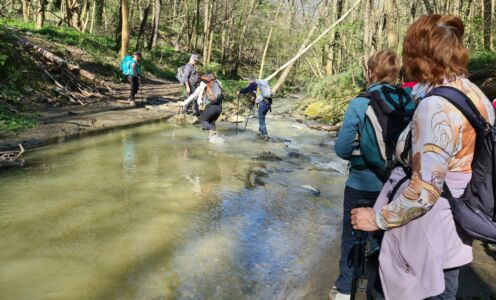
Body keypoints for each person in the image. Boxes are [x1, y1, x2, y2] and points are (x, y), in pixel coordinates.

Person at [351, 15, 495, 300]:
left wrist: (376, 219)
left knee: (406, 290)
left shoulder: (436, 107)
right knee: (445, 286)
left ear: (418, 55)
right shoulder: (473, 94)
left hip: (426, 228)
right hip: (456, 218)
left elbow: (424, 192)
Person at [329, 49, 404, 300]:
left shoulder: (360, 103)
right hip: (394, 185)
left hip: (360, 183)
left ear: (370, 72)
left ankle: (343, 290)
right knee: (387, 238)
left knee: (352, 238)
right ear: (396, 73)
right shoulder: (407, 100)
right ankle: (378, 289)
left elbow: (341, 149)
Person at [199, 74, 224, 143]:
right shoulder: (218, 85)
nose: (204, 81)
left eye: (206, 79)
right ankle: (214, 140)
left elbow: (213, 97)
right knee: (212, 123)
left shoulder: (212, 84)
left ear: (210, 79)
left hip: (212, 107)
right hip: (219, 108)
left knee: (203, 120)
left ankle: (212, 132)